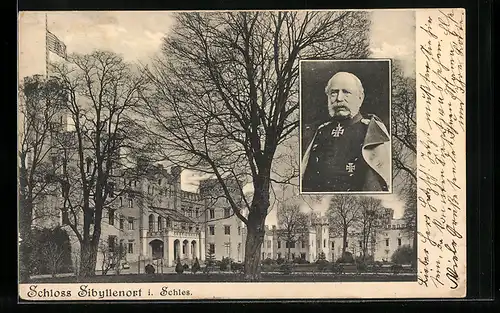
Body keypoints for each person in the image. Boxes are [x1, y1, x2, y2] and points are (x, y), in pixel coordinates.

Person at [301, 71, 390, 192]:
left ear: (360, 97)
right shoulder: (321, 131)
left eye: (346, 92)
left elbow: (377, 186)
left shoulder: (371, 131)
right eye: (334, 93)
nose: (339, 98)